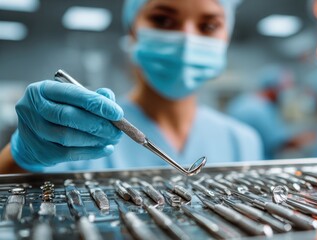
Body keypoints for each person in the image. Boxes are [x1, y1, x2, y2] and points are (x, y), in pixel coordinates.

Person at [0, 0, 263, 173]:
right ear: (132, 30)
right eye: (163, 20)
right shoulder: (80, 132)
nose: (187, 39)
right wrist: (21, 156)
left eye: (208, 25)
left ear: (226, 35)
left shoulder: (243, 141)